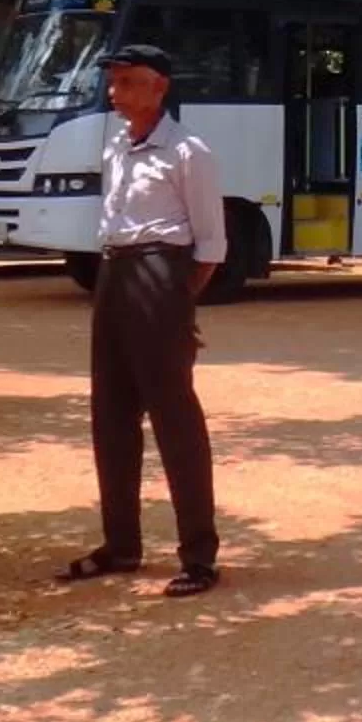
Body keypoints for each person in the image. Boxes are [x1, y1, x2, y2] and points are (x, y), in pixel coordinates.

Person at [58, 43, 224, 597]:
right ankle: (121, 545)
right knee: (110, 414)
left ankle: (199, 556)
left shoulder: (187, 152)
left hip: (161, 271)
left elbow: (210, 246)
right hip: (114, 273)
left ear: (159, 88)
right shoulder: (116, 148)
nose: (115, 91)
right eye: (114, 80)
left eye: (128, 81)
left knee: (174, 416)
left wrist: (176, 302)